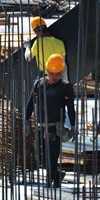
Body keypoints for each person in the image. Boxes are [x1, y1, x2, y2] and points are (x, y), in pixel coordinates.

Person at [25, 54, 76, 188]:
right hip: (41, 126)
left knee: (52, 156)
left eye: (57, 74)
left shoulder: (65, 87)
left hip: (55, 127)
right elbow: (31, 103)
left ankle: (50, 180)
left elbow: (71, 108)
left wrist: (74, 126)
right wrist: (26, 120)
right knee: (40, 157)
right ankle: (57, 175)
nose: (55, 76)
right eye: (52, 73)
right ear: (47, 71)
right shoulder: (39, 84)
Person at [25, 16, 68, 81]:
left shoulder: (38, 43)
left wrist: (27, 46)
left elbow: (28, 58)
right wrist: (66, 81)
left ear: (36, 31)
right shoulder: (59, 43)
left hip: (45, 77)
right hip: (59, 76)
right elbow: (64, 65)